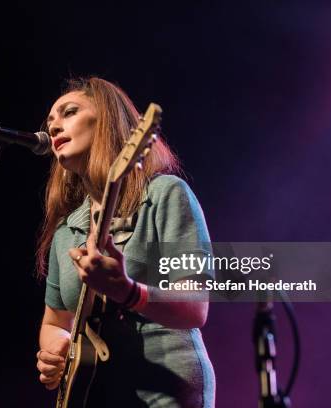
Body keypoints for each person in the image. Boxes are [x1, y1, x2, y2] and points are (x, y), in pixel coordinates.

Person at [35, 77, 215, 408]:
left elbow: (196, 305)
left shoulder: (165, 194)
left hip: (166, 391)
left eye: (69, 112)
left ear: (107, 123)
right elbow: (56, 320)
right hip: (96, 396)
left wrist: (129, 291)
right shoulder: (66, 231)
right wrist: (56, 348)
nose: (54, 126)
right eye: (50, 121)